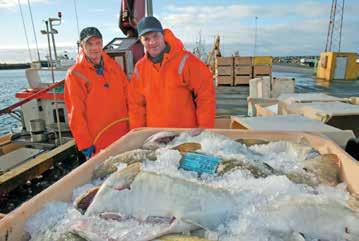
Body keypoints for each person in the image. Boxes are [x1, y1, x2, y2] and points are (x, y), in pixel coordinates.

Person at [128, 16, 216, 129]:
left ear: (163, 35)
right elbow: (136, 106)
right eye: (146, 39)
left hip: (185, 135)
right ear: (141, 41)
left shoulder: (185, 60)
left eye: (155, 36)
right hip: (155, 137)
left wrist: (205, 128)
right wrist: (138, 134)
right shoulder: (140, 68)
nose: (152, 42)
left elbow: (206, 94)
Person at [64, 27, 129, 159]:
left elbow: (129, 96)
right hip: (98, 141)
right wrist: (84, 143)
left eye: (98, 43)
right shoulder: (75, 74)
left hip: (124, 136)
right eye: (90, 44)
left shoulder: (114, 66)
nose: (95, 48)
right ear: (82, 45)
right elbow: (76, 112)